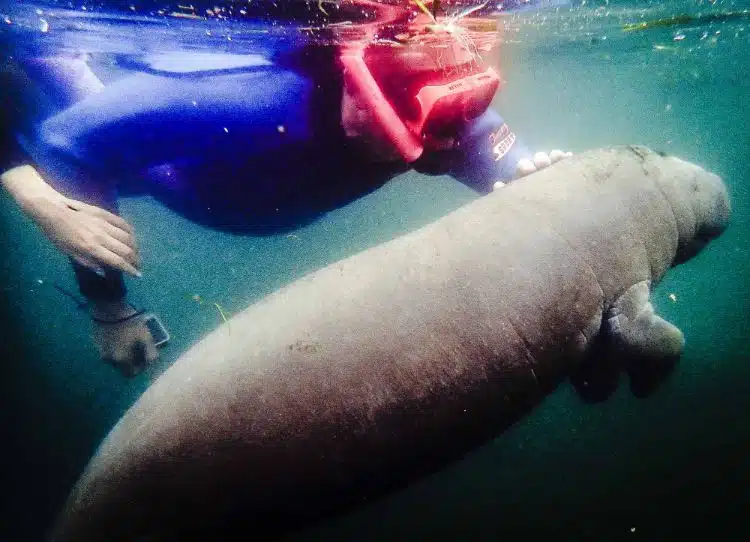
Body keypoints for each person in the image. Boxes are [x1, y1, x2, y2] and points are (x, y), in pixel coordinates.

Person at [1, 0, 570, 376]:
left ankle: (64, 67)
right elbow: (67, 145)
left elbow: (493, 154)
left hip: (252, 190)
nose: (443, 139)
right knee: (102, 143)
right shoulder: (257, 99)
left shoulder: (440, 100)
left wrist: (532, 179)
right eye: (427, 122)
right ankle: (53, 59)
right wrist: (111, 312)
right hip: (198, 185)